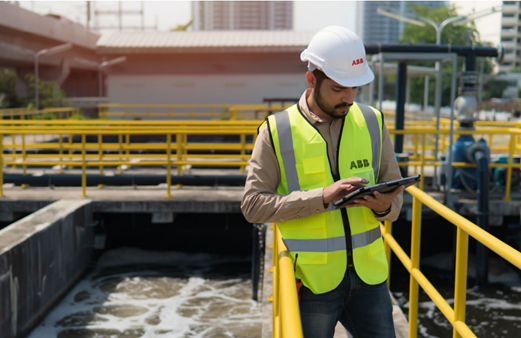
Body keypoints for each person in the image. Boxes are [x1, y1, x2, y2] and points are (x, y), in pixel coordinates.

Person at [241, 26, 404, 338]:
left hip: (370, 280)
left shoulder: (372, 121)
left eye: (355, 89)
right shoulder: (277, 131)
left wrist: (385, 207)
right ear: (311, 79)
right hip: (313, 282)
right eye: (339, 89)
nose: (349, 98)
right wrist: (322, 197)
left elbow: (395, 199)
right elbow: (253, 206)